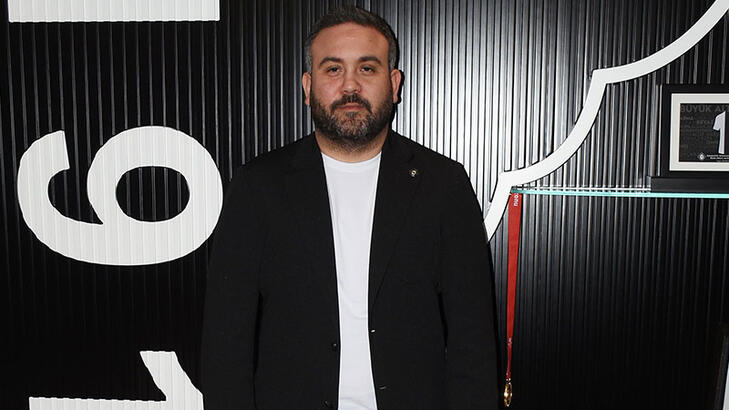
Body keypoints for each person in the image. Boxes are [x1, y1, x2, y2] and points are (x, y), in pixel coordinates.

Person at [201, 6, 498, 410]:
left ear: (394, 84)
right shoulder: (259, 187)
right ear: (307, 87)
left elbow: (473, 339)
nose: (350, 85)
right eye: (333, 69)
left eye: (367, 68)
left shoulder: (443, 185)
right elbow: (225, 341)